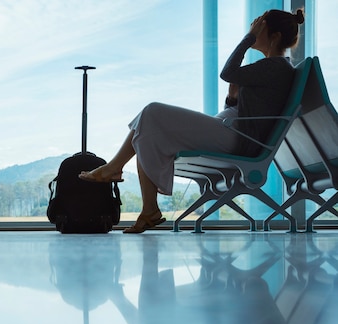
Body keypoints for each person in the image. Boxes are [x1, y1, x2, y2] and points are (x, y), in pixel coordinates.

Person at [78, 9, 305, 233]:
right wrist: (232, 97)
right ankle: (149, 210)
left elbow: (227, 72)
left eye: (259, 28)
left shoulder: (276, 67)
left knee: (152, 112)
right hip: (232, 129)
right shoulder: (271, 68)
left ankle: (113, 168)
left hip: (238, 137)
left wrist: (247, 40)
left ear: (274, 36)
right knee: (146, 131)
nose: (252, 31)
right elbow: (238, 103)